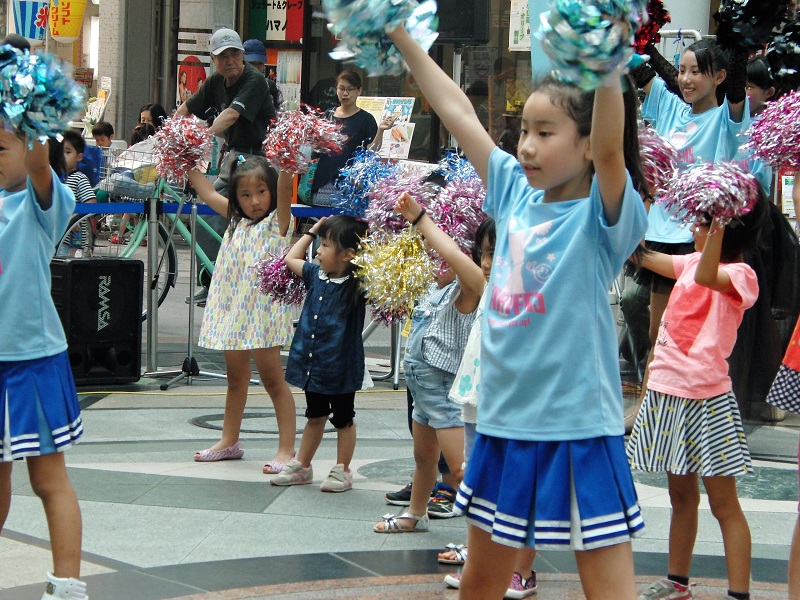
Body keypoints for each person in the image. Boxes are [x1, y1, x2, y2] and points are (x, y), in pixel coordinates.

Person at [387, 19, 648, 599]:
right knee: (480, 584)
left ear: (583, 144)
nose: (525, 145)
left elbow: (611, 148)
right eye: (523, 129)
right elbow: (457, 111)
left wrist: (606, 58)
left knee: (607, 588)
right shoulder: (513, 192)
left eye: (545, 132)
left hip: (579, 428)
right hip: (504, 427)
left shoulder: (604, 219)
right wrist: (402, 34)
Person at [627, 192, 768, 600]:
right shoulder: (689, 262)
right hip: (667, 393)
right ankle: (677, 582)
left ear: (725, 229)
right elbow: (639, 255)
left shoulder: (741, 275)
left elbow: (709, 277)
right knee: (680, 496)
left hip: (708, 401)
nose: (693, 229)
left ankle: (739, 592)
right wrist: (640, 200)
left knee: (724, 504)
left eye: (703, 224)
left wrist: (720, 224)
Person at [625, 39, 750, 431]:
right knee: (650, 322)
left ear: (719, 77)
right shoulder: (669, 107)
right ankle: (654, 406)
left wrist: (740, 34)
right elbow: (639, 70)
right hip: (657, 232)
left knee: (673, 328)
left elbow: (739, 91)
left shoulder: (728, 119)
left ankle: (660, 410)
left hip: (694, 240)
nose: (687, 79)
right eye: (682, 70)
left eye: (697, 71)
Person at [0, 132, 87, 598]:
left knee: (48, 479)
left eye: (0, 147)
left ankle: (68, 584)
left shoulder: (40, 203)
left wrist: (27, 106)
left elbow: (36, 164)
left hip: (34, 361)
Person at [373, 193, 481, 533]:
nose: (439, 257)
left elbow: (460, 262)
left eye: (448, 253)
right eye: (431, 252)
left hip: (446, 396)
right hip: (422, 394)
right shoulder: (428, 288)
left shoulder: (466, 292)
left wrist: (423, 220)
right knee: (424, 460)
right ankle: (414, 514)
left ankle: (488, 537)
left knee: (462, 469)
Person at [186, 158, 297, 472]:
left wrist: (288, 159)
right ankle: (228, 441)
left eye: (261, 191)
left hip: (263, 316)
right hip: (233, 312)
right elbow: (207, 192)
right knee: (236, 380)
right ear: (236, 198)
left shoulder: (279, 222)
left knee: (274, 381)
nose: (255, 201)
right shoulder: (235, 220)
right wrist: (186, 157)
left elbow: (285, 185)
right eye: (245, 195)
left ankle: (286, 450)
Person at [176, 28, 276, 303]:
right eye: (223, 55)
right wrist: (170, 133)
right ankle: (212, 280)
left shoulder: (255, 80)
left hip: (258, 161)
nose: (230, 60)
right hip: (233, 159)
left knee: (245, 224)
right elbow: (187, 107)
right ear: (214, 59)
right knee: (205, 216)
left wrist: (196, 139)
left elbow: (231, 115)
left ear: (242, 55)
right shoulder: (215, 81)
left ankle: (245, 282)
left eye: (234, 53)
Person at [270, 214, 369, 492]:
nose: (319, 251)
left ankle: (342, 470)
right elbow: (291, 258)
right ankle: (303, 465)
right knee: (314, 415)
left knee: (343, 418)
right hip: (312, 365)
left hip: (340, 368)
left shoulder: (358, 284)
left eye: (325, 246)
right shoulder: (316, 275)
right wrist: (312, 232)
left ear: (348, 254)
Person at [309, 71, 394, 206]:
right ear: (336, 89)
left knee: (346, 223)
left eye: (350, 89)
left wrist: (381, 130)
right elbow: (317, 147)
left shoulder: (366, 119)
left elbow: (372, 150)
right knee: (323, 222)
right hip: (325, 181)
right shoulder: (328, 115)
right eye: (341, 88)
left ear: (359, 91)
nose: (345, 93)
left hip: (351, 183)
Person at [110, 121, 157, 245]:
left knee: (129, 212)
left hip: (129, 187)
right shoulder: (150, 152)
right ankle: (138, 237)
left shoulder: (131, 150)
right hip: (143, 187)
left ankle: (120, 234)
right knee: (137, 215)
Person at [61, 130, 97, 257]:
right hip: (57, 236)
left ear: (79, 157)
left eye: (67, 152)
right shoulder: (56, 178)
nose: (62, 156)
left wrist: (74, 218)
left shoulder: (79, 178)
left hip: (72, 241)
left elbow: (91, 202)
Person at [243, 38, 283, 112]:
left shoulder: (272, 88)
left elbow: (281, 117)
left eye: (260, 63)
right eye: (251, 63)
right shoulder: (232, 86)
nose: (256, 68)